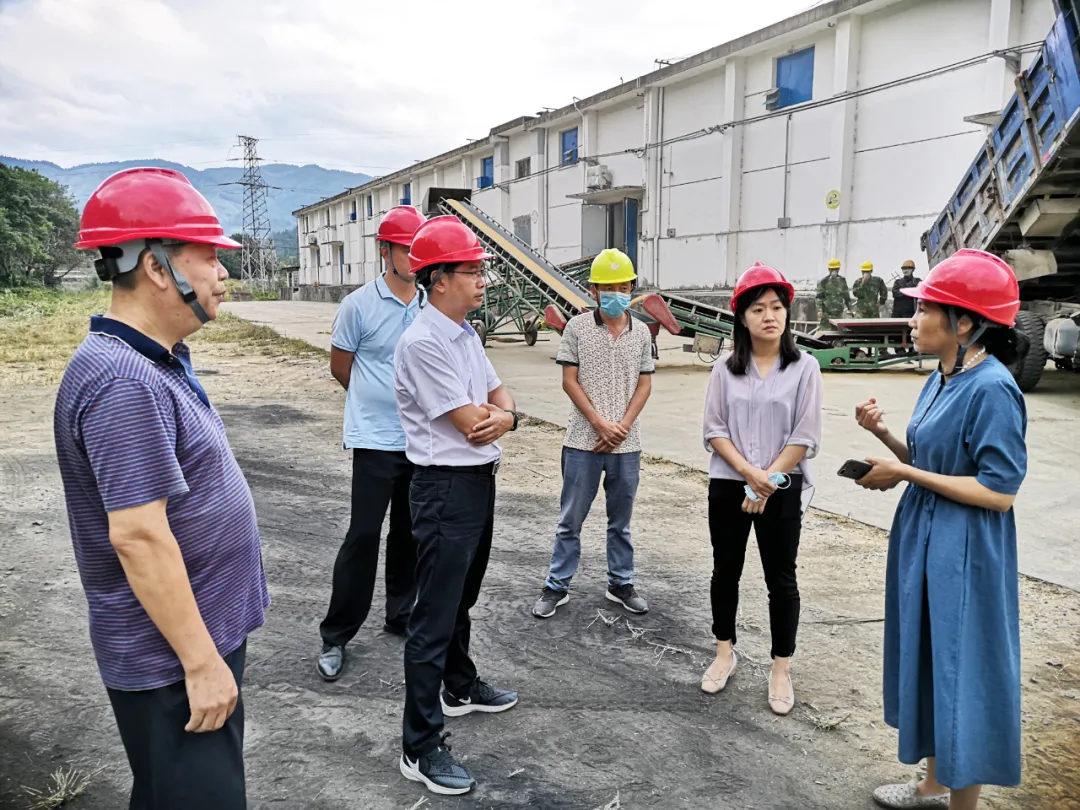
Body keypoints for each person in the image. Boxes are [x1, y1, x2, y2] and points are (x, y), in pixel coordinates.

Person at [53, 168, 269, 809]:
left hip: (186, 641)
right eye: (209, 257)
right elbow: (139, 537)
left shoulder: (152, 359)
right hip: (172, 657)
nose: (223, 273)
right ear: (155, 266)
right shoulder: (124, 381)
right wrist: (200, 664)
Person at [852, 249, 1028, 810]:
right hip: (927, 535)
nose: (913, 319)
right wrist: (885, 439)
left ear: (965, 323)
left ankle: (962, 803)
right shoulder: (943, 376)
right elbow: (934, 461)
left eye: (924, 308)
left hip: (967, 546)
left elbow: (999, 492)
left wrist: (904, 473)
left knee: (961, 665)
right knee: (931, 654)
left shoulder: (992, 389)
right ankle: (932, 784)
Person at [393, 215, 521, 796]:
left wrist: (506, 416)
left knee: (462, 596)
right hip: (444, 486)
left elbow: (498, 397)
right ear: (439, 279)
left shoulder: (464, 333)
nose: (482, 280)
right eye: (472, 270)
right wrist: (500, 419)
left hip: (475, 482)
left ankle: (459, 685)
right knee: (434, 616)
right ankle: (419, 745)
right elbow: (472, 423)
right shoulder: (424, 343)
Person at [700, 262, 823, 716]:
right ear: (742, 317)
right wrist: (749, 474)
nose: (769, 316)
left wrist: (766, 481)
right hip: (729, 483)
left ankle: (781, 667)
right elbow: (714, 429)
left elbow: (804, 435)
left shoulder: (805, 368)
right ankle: (724, 653)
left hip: (782, 487)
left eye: (776, 307)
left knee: (781, 578)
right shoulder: (724, 368)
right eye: (758, 309)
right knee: (725, 571)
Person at [315, 205, 426, 681]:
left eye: (420, 250)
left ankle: (401, 615)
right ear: (385, 250)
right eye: (407, 249)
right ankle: (336, 635)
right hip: (375, 440)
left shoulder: (431, 303)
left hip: (421, 440)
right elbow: (341, 367)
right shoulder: (358, 305)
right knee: (363, 535)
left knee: (410, 533)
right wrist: (374, 403)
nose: (415, 259)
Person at [532, 248, 655, 620]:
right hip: (582, 442)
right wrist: (600, 424)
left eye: (623, 287)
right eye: (608, 288)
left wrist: (622, 427)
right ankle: (557, 585)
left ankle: (621, 583)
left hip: (626, 445)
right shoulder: (577, 328)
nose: (616, 294)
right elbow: (569, 381)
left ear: (631, 287)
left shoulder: (641, 332)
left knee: (621, 522)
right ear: (594, 290)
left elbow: (645, 385)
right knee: (570, 520)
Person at [815, 258, 852, 330]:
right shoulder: (823, 281)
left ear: (838, 269)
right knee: (825, 331)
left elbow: (846, 295)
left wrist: (850, 308)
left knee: (838, 331)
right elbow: (819, 297)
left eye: (836, 269)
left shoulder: (842, 280)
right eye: (832, 269)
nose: (834, 271)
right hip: (827, 313)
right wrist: (819, 310)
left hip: (839, 313)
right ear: (829, 269)